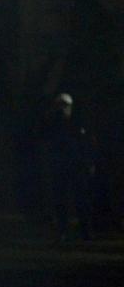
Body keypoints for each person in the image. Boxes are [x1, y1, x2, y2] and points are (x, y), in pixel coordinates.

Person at [40, 93, 95, 243]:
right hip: (59, 168)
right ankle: (63, 232)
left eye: (66, 106)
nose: (63, 109)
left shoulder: (78, 123)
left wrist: (89, 163)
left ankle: (85, 231)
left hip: (77, 167)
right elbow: (45, 143)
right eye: (61, 105)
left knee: (81, 200)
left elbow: (86, 145)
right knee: (61, 201)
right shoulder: (51, 124)